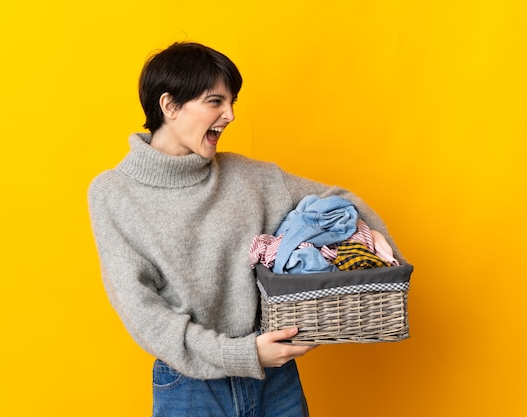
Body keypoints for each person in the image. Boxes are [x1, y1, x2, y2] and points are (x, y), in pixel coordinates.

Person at [88, 41, 406, 417]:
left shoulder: (248, 177)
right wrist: (244, 354)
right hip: (190, 387)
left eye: (232, 102)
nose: (230, 115)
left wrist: (385, 258)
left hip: (275, 381)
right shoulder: (114, 194)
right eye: (215, 101)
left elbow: (339, 200)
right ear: (169, 105)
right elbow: (145, 314)